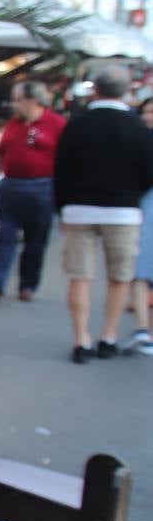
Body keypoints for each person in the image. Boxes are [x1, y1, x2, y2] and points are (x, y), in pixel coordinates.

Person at [52, 69, 153, 363]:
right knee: (120, 277)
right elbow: (149, 173)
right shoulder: (137, 129)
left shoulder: (76, 125)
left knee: (79, 276)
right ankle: (108, 336)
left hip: (79, 209)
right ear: (125, 92)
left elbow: (61, 170)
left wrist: (62, 209)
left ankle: (81, 339)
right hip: (123, 211)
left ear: (94, 89)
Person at [0, 81, 66, 302]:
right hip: (11, 186)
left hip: (42, 187)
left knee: (35, 241)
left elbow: (67, 159)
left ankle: (28, 284)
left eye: (18, 100)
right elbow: (0, 156)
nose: (13, 105)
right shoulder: (13, 125)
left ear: (32, 100)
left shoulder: (56, 124)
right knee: (5, 235)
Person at [121, 98, 153, 355]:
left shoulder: (136, 140)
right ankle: (143, 329)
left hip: (143, 206)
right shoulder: (136, 138)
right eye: (147, 111)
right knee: (139, 269)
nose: (149, 116)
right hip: (141, 208)